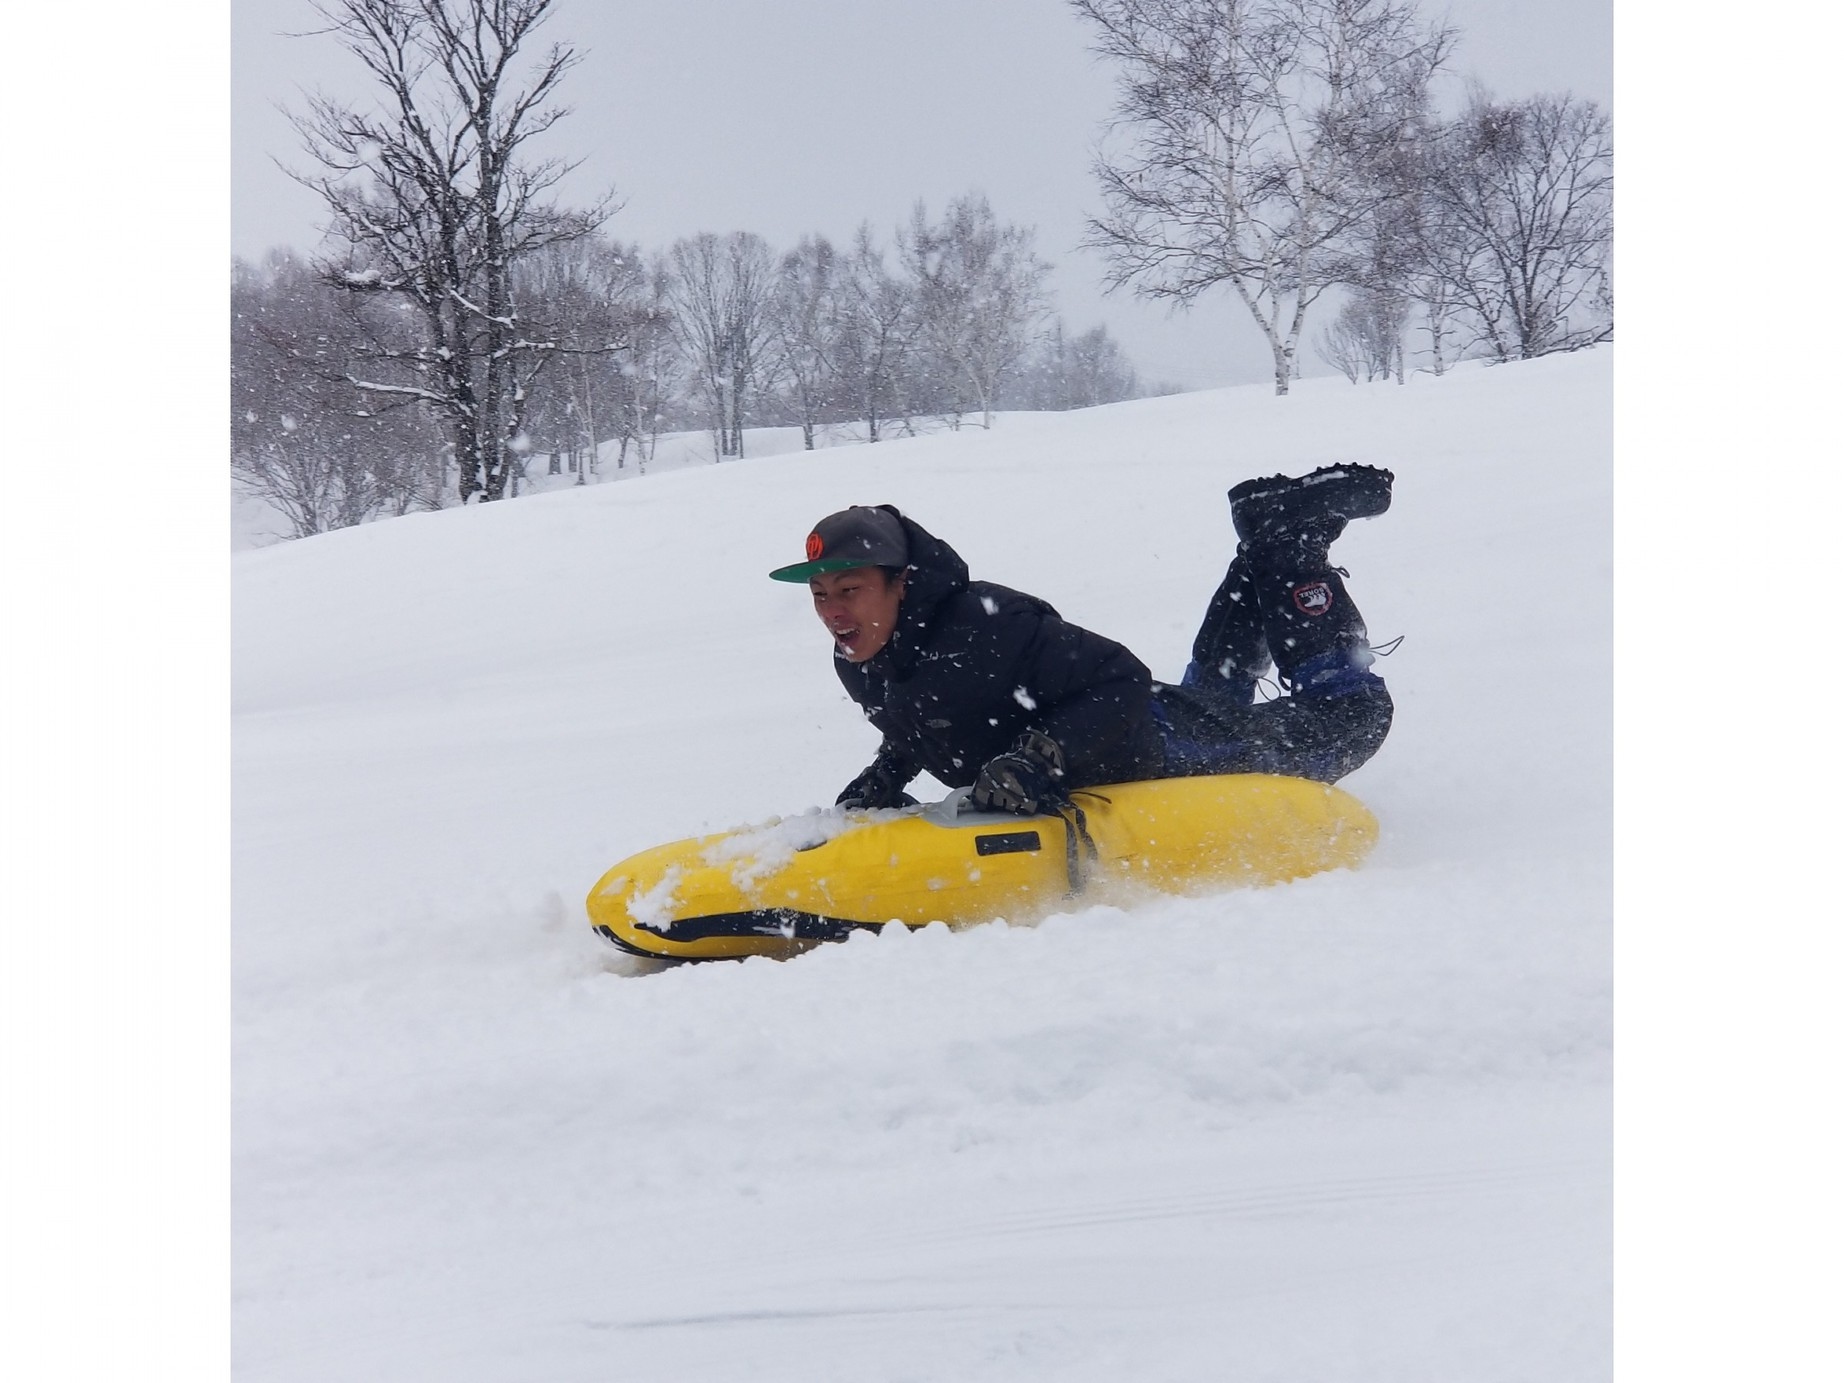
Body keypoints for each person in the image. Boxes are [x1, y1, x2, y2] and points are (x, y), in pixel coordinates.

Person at [767, 465, 1395, 817]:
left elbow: (1119, 678)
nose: (832, 612)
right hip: (1145, 735)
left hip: (1159, 744)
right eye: (820, 595)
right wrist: (886, 774)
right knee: (1213, 695)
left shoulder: (986, 625)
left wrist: (1043, 757)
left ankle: (1290, 547)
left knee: (1350, 715)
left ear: (901, 584)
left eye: (848, 590)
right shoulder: (861, 659)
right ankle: (1263, 543)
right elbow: (923, 713)